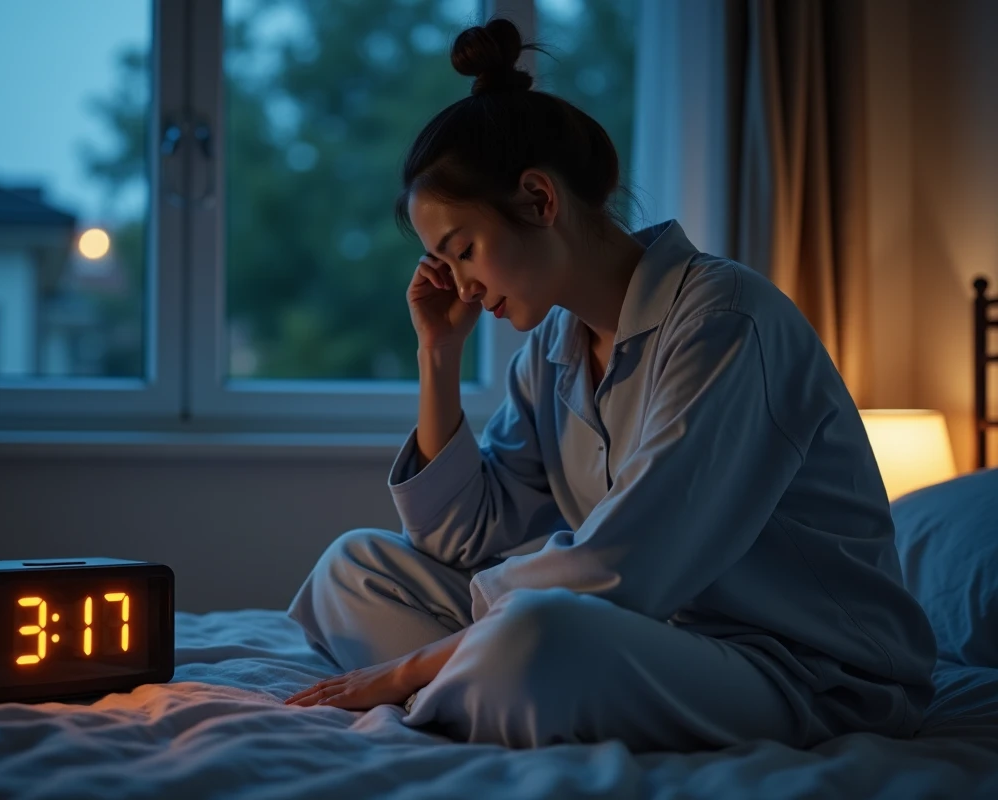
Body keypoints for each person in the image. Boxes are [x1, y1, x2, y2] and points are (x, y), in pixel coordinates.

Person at [283, 17, 937, 752]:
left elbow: (629, 566)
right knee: (353, 571)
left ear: (540, 199)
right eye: (446, 262)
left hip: (806, 671)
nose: (461, 286)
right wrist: (438, 355)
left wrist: (408, 667)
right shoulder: (552, 351)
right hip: (653, 637)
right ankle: (481, 691)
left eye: (463, 250)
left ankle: (464, 687)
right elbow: (460, 537)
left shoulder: (725, 321)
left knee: (536, 633)